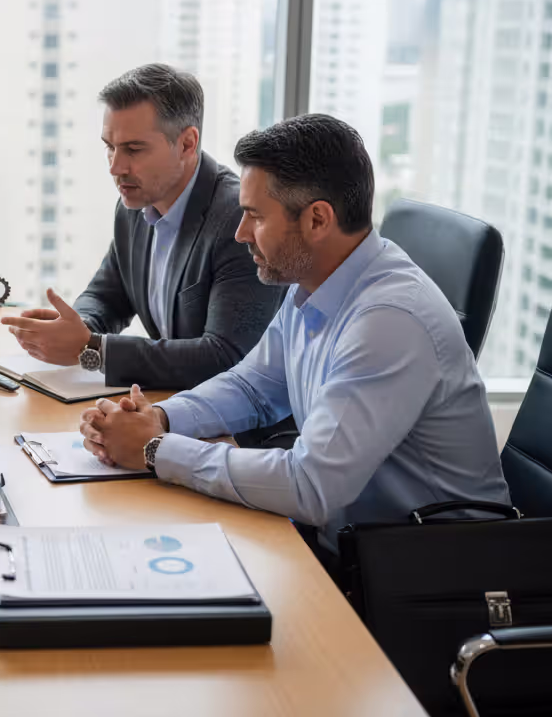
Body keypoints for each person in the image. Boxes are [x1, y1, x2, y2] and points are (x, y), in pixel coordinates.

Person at [79, 113, 510, 553]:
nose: (240, 233)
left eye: (254, 216)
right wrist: (163, 418)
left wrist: (155, 450)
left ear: (317, 220)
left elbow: (310, 487)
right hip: (359, 545)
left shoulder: (389, 321)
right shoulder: (316, 279)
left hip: (432, 572)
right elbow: (254, 387)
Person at [0, 64, 285, 391]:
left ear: (187, 144)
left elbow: (227, 357)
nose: (115, 167)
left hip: (236, 429)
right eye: (110, 146)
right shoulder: (133, 206)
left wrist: (93, 349)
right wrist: (74, 328)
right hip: (168, 405)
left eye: (134, 149)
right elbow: (108, 296)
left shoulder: (239, 219)